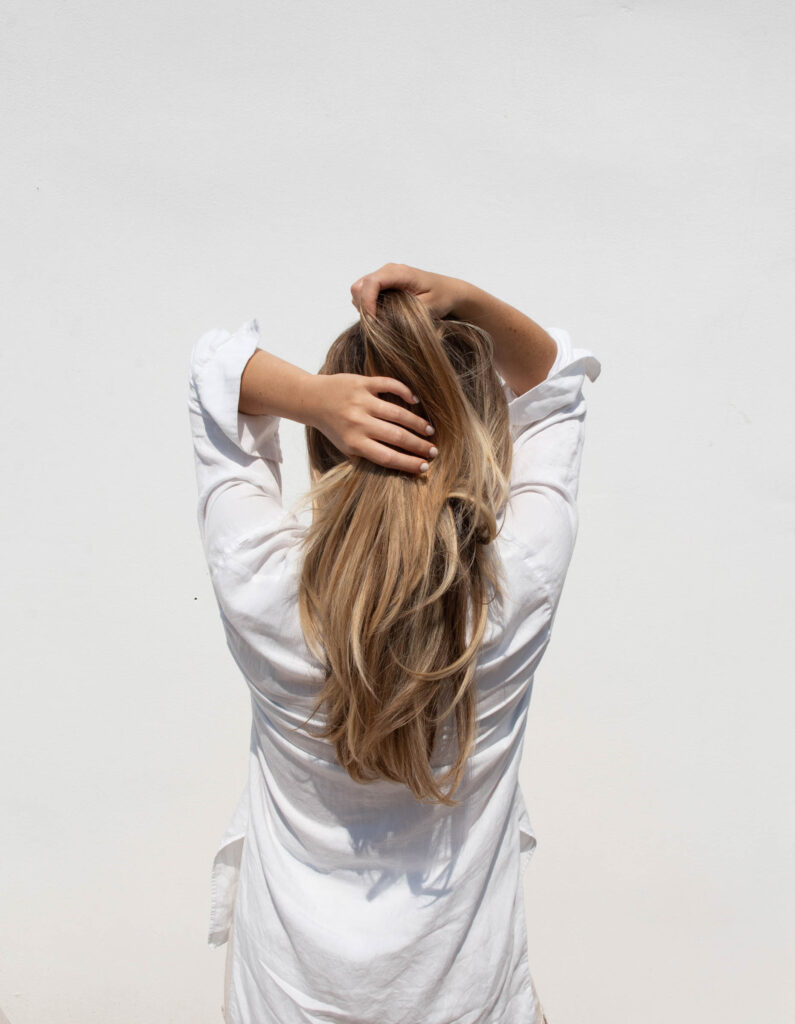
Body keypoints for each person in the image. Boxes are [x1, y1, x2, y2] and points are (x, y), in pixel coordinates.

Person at [187, 263, 601, 1024]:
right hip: (467, 1002)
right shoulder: (515, 585)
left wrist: (316, 401)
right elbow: (556, 388)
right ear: (484, 439)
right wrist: (466, 297)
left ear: (329, 444)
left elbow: (213, 375)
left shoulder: (264, 588)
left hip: (288, 999)